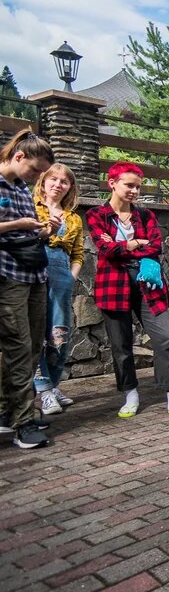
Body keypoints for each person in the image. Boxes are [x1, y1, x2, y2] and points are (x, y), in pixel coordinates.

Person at [87, 162, 169, 418]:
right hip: (113, 283)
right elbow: (104, 248)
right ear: (112, 183)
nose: (134, 191)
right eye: (128, 185)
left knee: (165, 337)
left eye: (138, 187)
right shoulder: (97, 214)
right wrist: (133, 243)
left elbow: (154, 246)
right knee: (121, 344)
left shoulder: (145, 215)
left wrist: (125, 244)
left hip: (147, 281)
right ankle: (130, 394)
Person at [0, 131, 55, 448]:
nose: (37, 177)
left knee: (33, 346)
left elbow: (29, 231)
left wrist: (45, 231)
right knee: (18, 346)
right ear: (19, 157)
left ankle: (9, 412)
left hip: (34, 273)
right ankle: (23, 423)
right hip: (8, 276)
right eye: (35, 170)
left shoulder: (21, 188)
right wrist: (17, 225)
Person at [33, 163, 84, 416]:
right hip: (33, 272)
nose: (58, 184)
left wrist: (71, 277)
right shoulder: (30, 206)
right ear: (43, 181)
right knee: (35, 332)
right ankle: (42, 390)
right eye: (53, 179)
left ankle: (52, 385)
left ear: (70, 188)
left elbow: (78, 254)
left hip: (62, 275)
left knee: (59, 333)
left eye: (64, 181)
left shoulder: (74, 218)